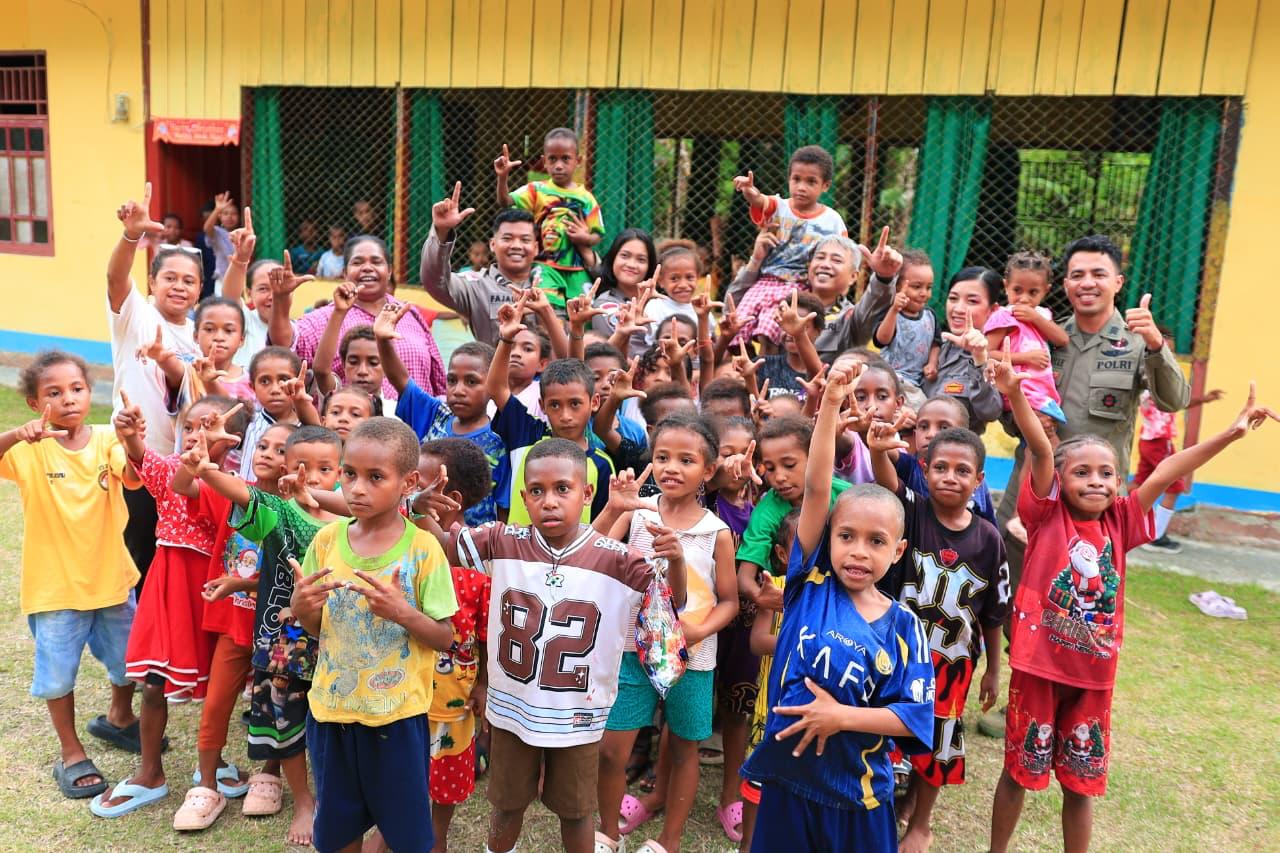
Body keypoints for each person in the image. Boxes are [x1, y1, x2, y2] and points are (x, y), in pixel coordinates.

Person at [986, 359, 1276, 852]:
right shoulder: (1046, 514)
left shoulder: (1121, 522)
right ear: (1058, 481)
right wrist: (1015, 395)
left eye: (1107, 473)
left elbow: (1165, 470)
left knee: (1081, 784)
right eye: (1082, 472)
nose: (1097, 481)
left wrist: (1229, 435)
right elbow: (1040, 447)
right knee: (1020, 773)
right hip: (1039, 669)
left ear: (1119, 484)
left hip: (1094, 677)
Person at [433, 439, 684, 853]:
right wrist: (422, 509)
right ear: (523, 497)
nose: (549, 501)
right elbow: (445, 545)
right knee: (508, 806)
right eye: (537, 490)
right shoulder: (502, 540)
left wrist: (674, 560)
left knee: (576, 810)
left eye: (562, 489)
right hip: (514, 707)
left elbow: (672, 601)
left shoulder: (616, 559)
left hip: (577, 714)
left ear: (587, 494)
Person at [986, 235, 1191, 736]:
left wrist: (1159, 347)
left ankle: (1069, 702)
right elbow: (1013, 409)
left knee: (1080, 595)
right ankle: (1019, 695)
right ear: (1065, 284)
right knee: (1020, 584)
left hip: (1094, 504)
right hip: (1032, 480)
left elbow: (1175, 400)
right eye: (1077, 274)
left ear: (1117, 282)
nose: (1087, 284)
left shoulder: (1136, 339)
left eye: (1098, 274)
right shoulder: (1040, 333)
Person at [739, 366, 934, 850]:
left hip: (857, 799)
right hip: (787, 786)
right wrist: (827, 405)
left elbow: (912, 717)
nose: (859, 552)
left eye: (876, 542)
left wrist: (840, 717)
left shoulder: (903, 627)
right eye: (846, 537)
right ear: (829, 538)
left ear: (898, 550)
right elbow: (818, 488)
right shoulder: (810, 583)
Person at [292, 417, 458, 853]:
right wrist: (301, 608)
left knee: (406, 834)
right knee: (338, 830)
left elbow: (446, 638)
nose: (357, 489)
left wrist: (402, 613)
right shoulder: (327, 541)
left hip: (397, 718)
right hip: (332, 712)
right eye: (349, 474)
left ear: (408, 483)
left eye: (375, 477)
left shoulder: (423, 549)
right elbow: (316, 627)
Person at [180, 424, 341, 843]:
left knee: (334, 731)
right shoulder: (277, 511)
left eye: (325, 468)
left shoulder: (351, 522)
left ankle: (332, 797)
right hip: (283, 648)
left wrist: (241, 583)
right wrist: (207, 470)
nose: (313, 475)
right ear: (287, 468)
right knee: (284, 728)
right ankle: (304, 800)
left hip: (340, 647)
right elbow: (244, 494)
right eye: (302, 465)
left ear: (340, 473)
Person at [91, 394, 248, 818]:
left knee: (218, 687)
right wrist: (130, 437)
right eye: (192, 426)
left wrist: (206, 463)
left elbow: (201, 489)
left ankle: (209, 767)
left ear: (233, 440)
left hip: (211, 591)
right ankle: (149, 773)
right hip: (166, 587)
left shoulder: (233, 486)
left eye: (210, 427)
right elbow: (149, 461)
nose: (198, 434)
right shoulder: (167, 470)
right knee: (155, 681)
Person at [594, 414, 739, 853]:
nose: (671, 467)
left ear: (708, 471)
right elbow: (590, 551)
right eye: (662, 457)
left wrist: (697, 631)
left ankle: (669, 841)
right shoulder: (638, 514)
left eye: (686, 459)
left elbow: (729, 601)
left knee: (683, 750)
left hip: (691, 658)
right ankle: (608, 832)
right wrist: (615, 507)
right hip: (631, 651)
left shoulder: (716, 533)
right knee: (610, 750)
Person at [0, 352, 141, 800]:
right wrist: (14, 436)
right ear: (32, 403)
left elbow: (136, 478)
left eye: (76, 389)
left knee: (128, 662)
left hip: (112, 580)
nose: (68, 399)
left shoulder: (106, 440)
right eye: (53, 393)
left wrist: (135, 440)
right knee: (58, 677)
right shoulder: (27, 450)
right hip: (54, 590)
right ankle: (71, 751)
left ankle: (119, 718)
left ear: (90, 392)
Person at [868, 421, 1008, 853]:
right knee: (882, 735)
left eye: (962, 470)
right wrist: (877, 450)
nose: (951, 476)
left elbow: (993, 612)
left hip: (952, 664)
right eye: (941, 467)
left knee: (938, 742)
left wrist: (993, 672)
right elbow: (885, 479)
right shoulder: (910, 511)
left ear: (979, 480)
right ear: (925, 471)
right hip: (896, 653)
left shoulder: (989, 539)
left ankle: (921, 823)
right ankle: (874, 813)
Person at [108, 183, 206, 587]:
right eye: (170, 277)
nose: (179, 286)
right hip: (136, 457)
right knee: (140, 553)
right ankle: (138, 639)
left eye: (189, 280)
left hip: (183, 465)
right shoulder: (136, 318)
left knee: (177, 556)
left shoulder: (202, 333)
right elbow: (115, 278)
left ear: (200, 290)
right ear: (151, 281)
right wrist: (132, 236)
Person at [377, 301, 508, 527]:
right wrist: (383, 340)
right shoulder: (435, 415)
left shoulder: (500, 439)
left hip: (470, 548)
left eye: (471, 382)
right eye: (452, 380)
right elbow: (400, 380)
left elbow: (504, 507)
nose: (458, 390)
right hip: (417, 533)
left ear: (492, 384)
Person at [488, 299, 614, 523]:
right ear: (543, 405)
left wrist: (576, 330)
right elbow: (497, 388)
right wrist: (506, 338)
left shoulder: (602, 464)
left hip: (574, 559)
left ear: (594, 403)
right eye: (555, 405)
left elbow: (602, 526)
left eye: (575, 404)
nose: (565, 415)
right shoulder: (527, 434)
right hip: (519, 556)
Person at [287, 234, 447, 397]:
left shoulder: (409, 314)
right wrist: (281, 301)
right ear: (345, 273)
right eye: (358, 262)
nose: (367, 267)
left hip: (415, 422)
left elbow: (438, 383)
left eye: (376, 261)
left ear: (390, 271)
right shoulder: (326, 318)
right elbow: (287, 346)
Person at [731, 146, 848, 349]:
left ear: (825, 185)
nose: (801, 187)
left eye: (811, 182)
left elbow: (843, 252)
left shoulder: (833, 221)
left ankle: (770, 368)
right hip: (766, 281)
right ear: (789, 180)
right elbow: (759, 200)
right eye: (796, 179)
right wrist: (749, 190)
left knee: (771, 328)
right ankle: (746, 366)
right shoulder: (779, 206)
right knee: (739, 324)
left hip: (799, 286)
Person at [1132, 335, 1225, 553]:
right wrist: (1203, 399)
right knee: (1175, 486)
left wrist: (1203, 399)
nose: (1168, 355)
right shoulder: (1153, 378)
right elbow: (1177, 401)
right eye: (1164, 350)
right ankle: (1156, 537)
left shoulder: (1145, 376)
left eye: (1170, 351)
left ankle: (1123, 522)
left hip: (1148, 440)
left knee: (1139, 482)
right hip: (1159, 441)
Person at [420, 184, 540, 346]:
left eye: (525, 240)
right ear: (492, 244)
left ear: (536, 247)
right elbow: (434, 281)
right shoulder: (475, 285)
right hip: (491, 370)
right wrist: (441, 231)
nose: (516, 245)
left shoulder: (554, 284)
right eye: (507, 238)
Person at [495, 129, 604, 307]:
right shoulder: (536, 190)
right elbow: (505, 201)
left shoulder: (586, 198)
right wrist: (502, 177)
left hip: (577, 269)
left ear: (578, 161)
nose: (558, 165)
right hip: (545, 265)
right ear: (544, 161)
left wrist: (585, 239)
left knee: (582, 309)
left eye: (565, 159)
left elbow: (597, 234)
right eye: (552, 159)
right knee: (548, 308)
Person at [983, 251, 1069, 429]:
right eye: (1017, 290)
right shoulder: (1004, 316)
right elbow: (987, 354)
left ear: (1046, 290)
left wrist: (1036, 318)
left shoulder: (1042, 315)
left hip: (1041, 391)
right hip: (1017, 391)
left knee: (1043, 435)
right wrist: (1026, 358)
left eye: (1033, 292)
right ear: (1006, 286)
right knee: (1043, 432)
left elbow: (1062, 339)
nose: (1024, 298)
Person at [921, 267, 1004, 433]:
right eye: (953, 298)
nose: (958, 309)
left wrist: (979, 360)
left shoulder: (994, 357)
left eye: (972, 301)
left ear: (992, 310)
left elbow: (990, 412)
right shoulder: (932, 345)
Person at [873, 248, 941, 409]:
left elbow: (935, 343)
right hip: (889, 378)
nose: (924, 293)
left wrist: (932, 363)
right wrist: (894, 310)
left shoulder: (930, 316)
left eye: (929, 287)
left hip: (916, 383)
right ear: (897, 286)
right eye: (917, 287)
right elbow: (881, 340)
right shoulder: (891, 313)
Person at [237, 346, 314, 482]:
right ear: (252, 386)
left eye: (283, 380)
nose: (275, 389)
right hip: (245, 500)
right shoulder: (248, 420)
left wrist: (302, 403)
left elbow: (320, 433)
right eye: (265, 381)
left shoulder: (306, 426)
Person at [588, 228, 658, 346]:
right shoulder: (604, 304)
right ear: (613, 258)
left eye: (641, 259)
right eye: (625, 256)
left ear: (649, 266)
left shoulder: (659, 302)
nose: (631, 265)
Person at [201, 191, 239, 293]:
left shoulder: (242, 233)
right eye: (225, 213)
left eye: (234, 213)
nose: (230, 217)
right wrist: (217, 209)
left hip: (240, 279)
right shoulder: (217, 232)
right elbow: (207, 228)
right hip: (222, 278)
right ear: (220, 217)